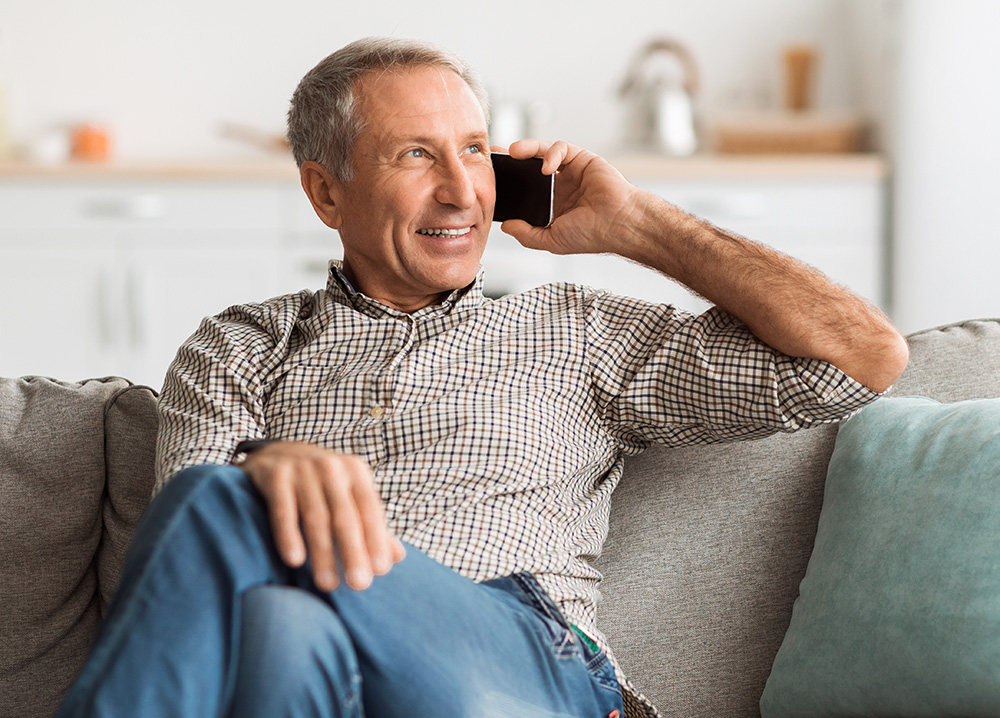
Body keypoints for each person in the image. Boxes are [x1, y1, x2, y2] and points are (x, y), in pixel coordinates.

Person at [56, 37, 908, 718]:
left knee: (226, 500)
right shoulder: (241, 346)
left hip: (519, 666)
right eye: (417, 156)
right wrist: (254, 474)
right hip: (320, 659)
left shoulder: (575, 330)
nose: (464, 190)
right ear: (326, 191)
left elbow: (863, 357)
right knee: (275, 621)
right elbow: (189, 543)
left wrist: (636, 223)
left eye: (474, 149)